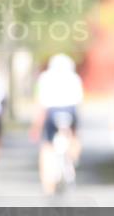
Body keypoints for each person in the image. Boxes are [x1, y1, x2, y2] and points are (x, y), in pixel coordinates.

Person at [31, 53, 84, 195]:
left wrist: (36, 126)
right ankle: (72, 161)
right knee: (74, 136)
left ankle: (48, 183)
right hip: (70, 111)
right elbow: (79, 103)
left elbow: (40, 104)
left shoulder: (45, 78)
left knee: (47, 146)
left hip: (51, 113)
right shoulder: (75, 78)